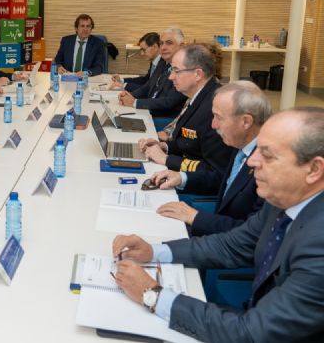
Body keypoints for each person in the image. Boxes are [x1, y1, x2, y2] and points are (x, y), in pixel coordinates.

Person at [112, 107, 324, 343]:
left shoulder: (318, 245)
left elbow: (252, 333)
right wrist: (154, 252)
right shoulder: (285, 200)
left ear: (314, 169)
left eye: (268, 155)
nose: (252, 161)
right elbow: (230, 245)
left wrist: (152, 295)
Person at [151, 80, 271, 236]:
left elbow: (253, 234)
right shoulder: (241, 143)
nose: (213, 125)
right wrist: (182, 177)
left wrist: (194, 217)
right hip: (218, 229)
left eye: (218, 117)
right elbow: (223, 180)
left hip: (227, 240)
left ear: (246, 121)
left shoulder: (268, 165)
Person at [138, 44, 233, 177]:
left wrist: (167, 159)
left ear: (197, 74)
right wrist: (165, 147)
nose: (171, 77)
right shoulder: (199, 96)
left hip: (196, 183)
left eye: (176, 71)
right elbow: (191, 145)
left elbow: (215, 171)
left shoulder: (215, 108)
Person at [118, 28, 187, 118]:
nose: (163, 47)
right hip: (149, 111)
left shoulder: (185, 69)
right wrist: (130, 95)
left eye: (169, 43)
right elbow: (148, 86)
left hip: (164, 118)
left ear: (181, 46)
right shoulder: (163, 62)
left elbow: (169, 102)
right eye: (161, 43)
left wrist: (135, 102)